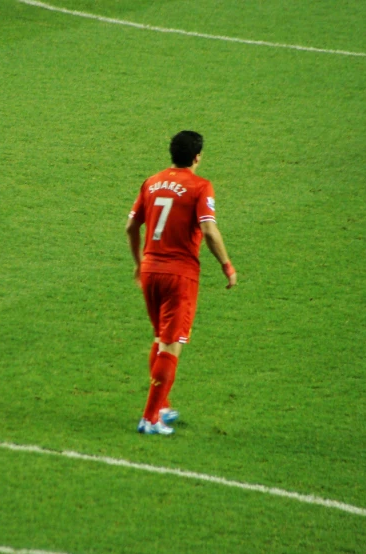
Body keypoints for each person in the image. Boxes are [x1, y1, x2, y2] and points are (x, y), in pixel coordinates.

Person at [126, 130, 237, 436]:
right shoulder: (200, 187)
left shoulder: (151, 182)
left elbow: (130, 226)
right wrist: (227, 266)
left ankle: (161, 405)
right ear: (197, 157)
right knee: (171, 344)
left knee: (161, 338)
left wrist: (138, 264)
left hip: (150, 270)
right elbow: (210, 231)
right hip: (179, 275)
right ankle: (150, 418)